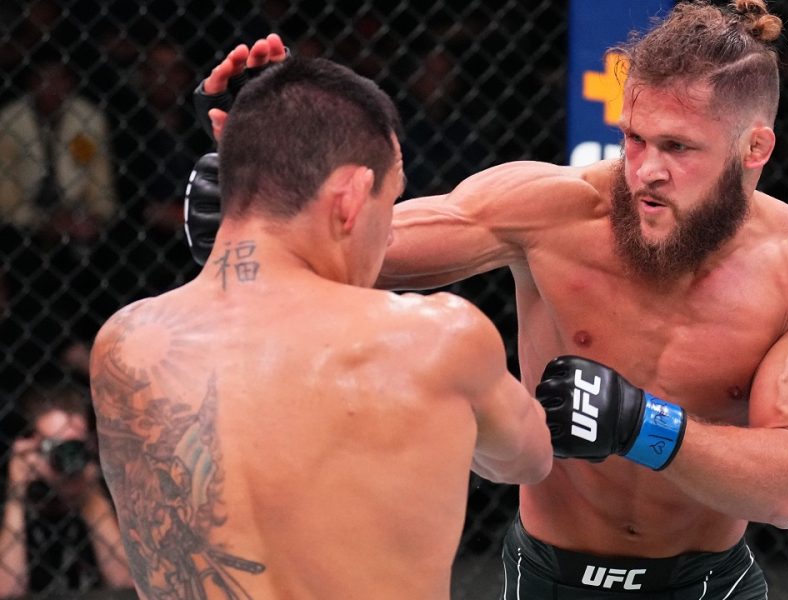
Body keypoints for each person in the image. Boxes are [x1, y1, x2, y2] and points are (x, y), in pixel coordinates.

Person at [190, 1, 788, 597]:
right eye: (634, 138)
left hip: (709, 584)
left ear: (754, 148)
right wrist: (273, 177)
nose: (645, 171)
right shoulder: (553, 211)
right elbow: (368, 249)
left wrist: (641, 425)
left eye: (678, 147)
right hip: (549, 576)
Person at [89, 56, 552, 599]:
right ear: (352, 197)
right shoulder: (438, 339)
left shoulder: (126, 345)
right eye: (392, 200)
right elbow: (528, 457)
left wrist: (257, 159)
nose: (390, 233)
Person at [0, 385, 132, 597]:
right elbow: (7, 592)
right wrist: (16, 496)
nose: (67, 455)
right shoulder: (11, 502)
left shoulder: (108, 492)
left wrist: (89, 496)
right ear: (29, 448)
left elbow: (127, 583)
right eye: (53, 446)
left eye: (74, 445)